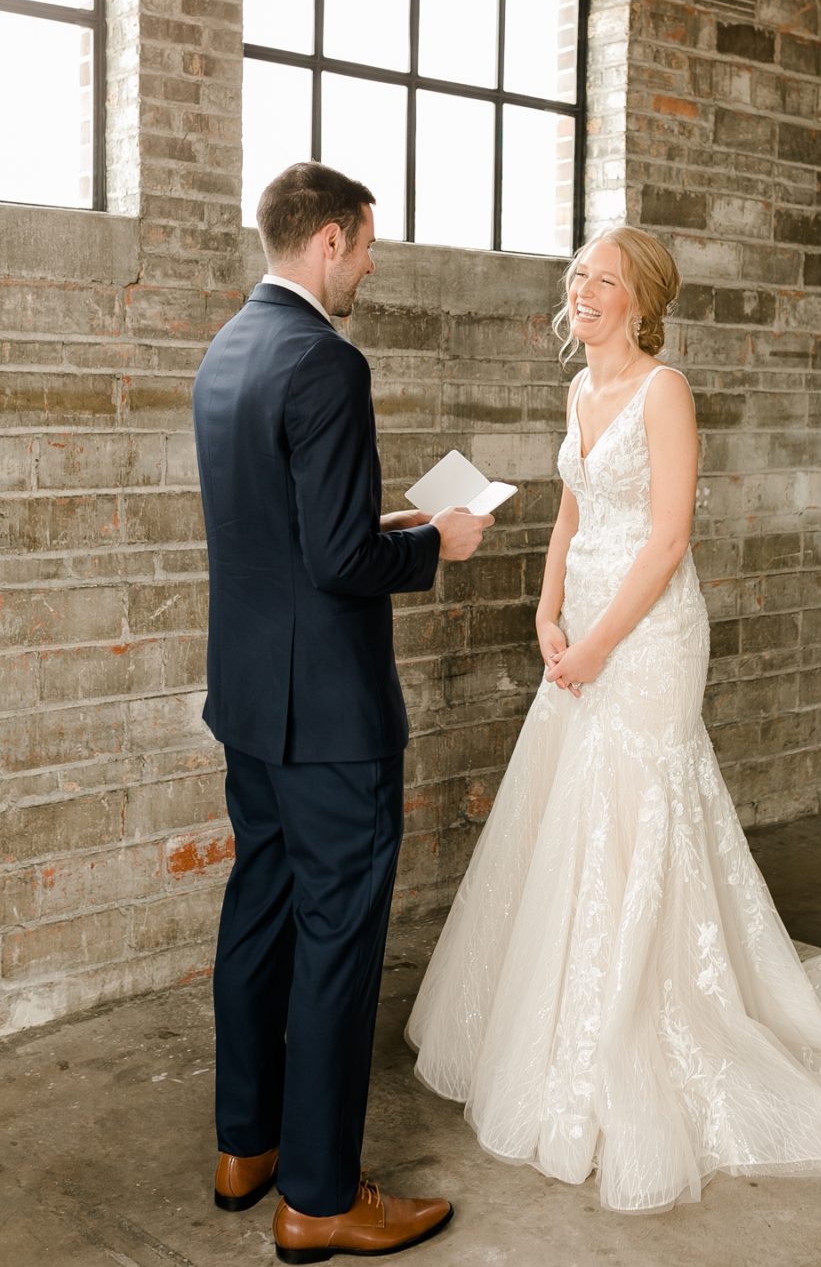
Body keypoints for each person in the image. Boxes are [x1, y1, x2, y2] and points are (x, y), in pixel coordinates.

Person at [405, 225, 821, 1215]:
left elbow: (665, 539)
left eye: (603, 279)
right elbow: (573, 513)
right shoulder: (576, 391)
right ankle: (559, 1015)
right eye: (577, 273)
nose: (581, 289)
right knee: (573, 808)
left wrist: (595, 645)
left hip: (649, 636)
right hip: (577, 626)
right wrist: (545, 615)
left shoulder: (662, 391)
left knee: (638, 802)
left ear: (640, 300)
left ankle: (654, 1012)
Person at [193, 162, 492, 1259]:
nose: (368, 264)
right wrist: (436, 542)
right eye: (365, 245)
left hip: (249, 705)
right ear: (327, 240)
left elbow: (283, 527)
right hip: (328, 717)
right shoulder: (327, 361)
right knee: (336, 942)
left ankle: (246, 1144)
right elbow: (340, 558)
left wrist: (388, 513)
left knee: (259, 911)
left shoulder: (227, 350)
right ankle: (318, 1196)